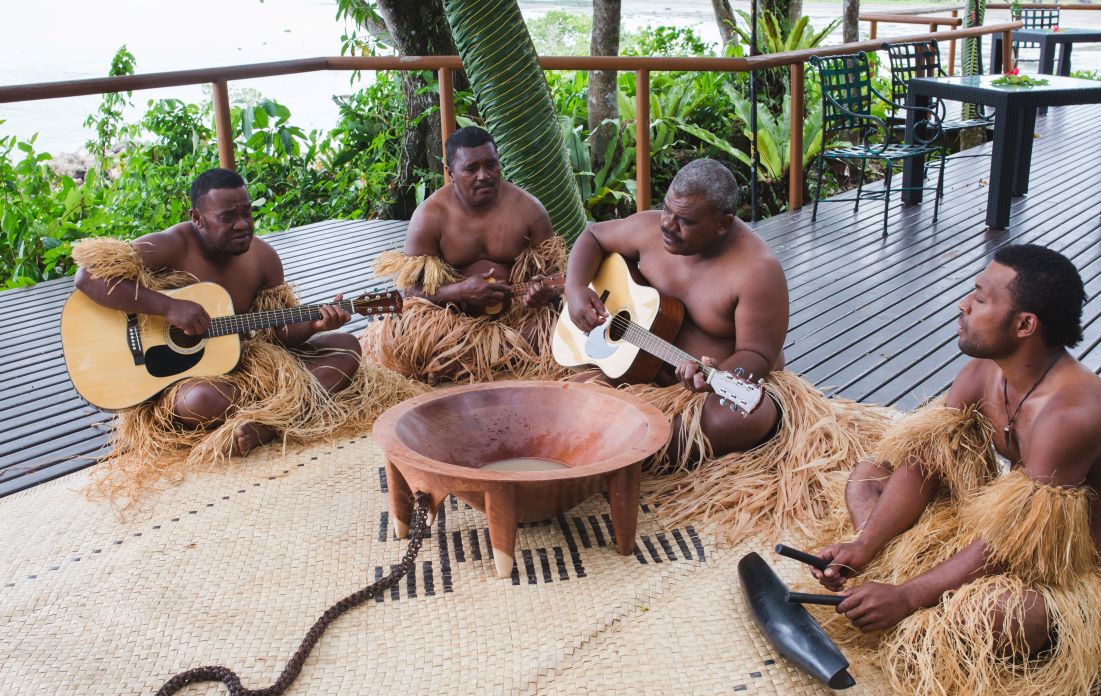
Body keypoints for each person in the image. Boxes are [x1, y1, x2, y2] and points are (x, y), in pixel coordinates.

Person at [803, 244, 1101, 696]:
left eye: (980, 299)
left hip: (1071, 572)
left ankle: (911, 597)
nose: (963, 305)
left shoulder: (1071, 415)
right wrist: (865, 544)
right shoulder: (983, 372)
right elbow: (926, 462)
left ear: (1025, 325)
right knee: (868, 477)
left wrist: (907, 595)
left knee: (997, 618)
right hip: (1001, 532)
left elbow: (1017, 540)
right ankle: (886, 571)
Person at [563, 159, 888, 541]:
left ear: (723, 222)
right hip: (640, 366)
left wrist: (718, 374)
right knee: (576, 387)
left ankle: (632, 456)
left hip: (713, 386)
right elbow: (593, 236)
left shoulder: (756, 270)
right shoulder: (651, 229)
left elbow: (759, 355)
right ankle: (631, 450)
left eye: (685, 220)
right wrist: (574, 288)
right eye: (667, 208)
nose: (668, 224)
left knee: (740, 417)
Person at [72, 168, 421, 497]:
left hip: (245, 362)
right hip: (186, 378)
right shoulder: (171, 245)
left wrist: (315, 324)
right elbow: (88, 276)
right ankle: (289, 409)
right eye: (227, 217)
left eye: (247, 214)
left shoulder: (264, 258)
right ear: (197, 219)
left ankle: (267, 425)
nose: (242, 225)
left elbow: (278, 335)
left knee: (346, 347)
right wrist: (169, 307)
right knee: (200, 402)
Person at [361, 126, 567, 383]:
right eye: (471, 169)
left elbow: (553, 280)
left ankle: (463, 364)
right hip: (454, 321)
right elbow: (411, 292)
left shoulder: (529, 211)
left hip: (517, 322)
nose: (484, 175)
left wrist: (539, 295)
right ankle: (497, 360)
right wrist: (460, 291)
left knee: (558, 332)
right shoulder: (429, 217)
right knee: (404, 338)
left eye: (491, 165)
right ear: (451, 173)